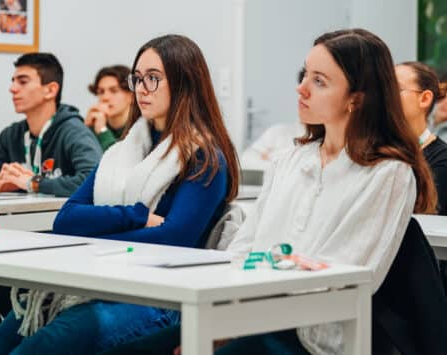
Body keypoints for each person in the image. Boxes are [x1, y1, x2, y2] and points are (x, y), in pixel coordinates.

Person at [100, 28, 437, 355]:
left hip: (314, 337)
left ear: (357, 99)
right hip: (249, 317)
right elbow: (244, 248)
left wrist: (234, 326)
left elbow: (336, 277)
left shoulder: (387, 173)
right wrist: (228, 320)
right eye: (305, 75)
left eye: (319, 81)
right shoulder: (289, 161)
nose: (301, 89)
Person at [0, 34, 240, 355]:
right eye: (137, 79)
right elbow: (67, 219)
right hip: (97, 283)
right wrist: (137, 216)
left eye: (153, 79)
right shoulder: (121, 151)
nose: (141, 88)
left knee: (39, 347)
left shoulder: (204, 156)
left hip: (158, 299)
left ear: (184, 83)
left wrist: (93, 241)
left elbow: (173, 241)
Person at [0, 52, 102, 197]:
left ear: (50, 90)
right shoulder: (13, 135)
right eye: (13, 81)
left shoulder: (73, 130)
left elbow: (95, 181)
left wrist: (34, 183)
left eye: (23, 82)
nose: (12, 89)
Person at [396, 61, 447, 214]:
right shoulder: (366, 151)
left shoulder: (441, 161)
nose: (384, 97)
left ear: (424, 99)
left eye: (395, 89)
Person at [85, 65, 133, 151]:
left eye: (113, 91)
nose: (105, 97)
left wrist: (102, 131)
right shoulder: (95, 125)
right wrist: (84, 130)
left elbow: (118, 161)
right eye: (101, 92)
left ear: (131, 96)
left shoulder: (142, 128)